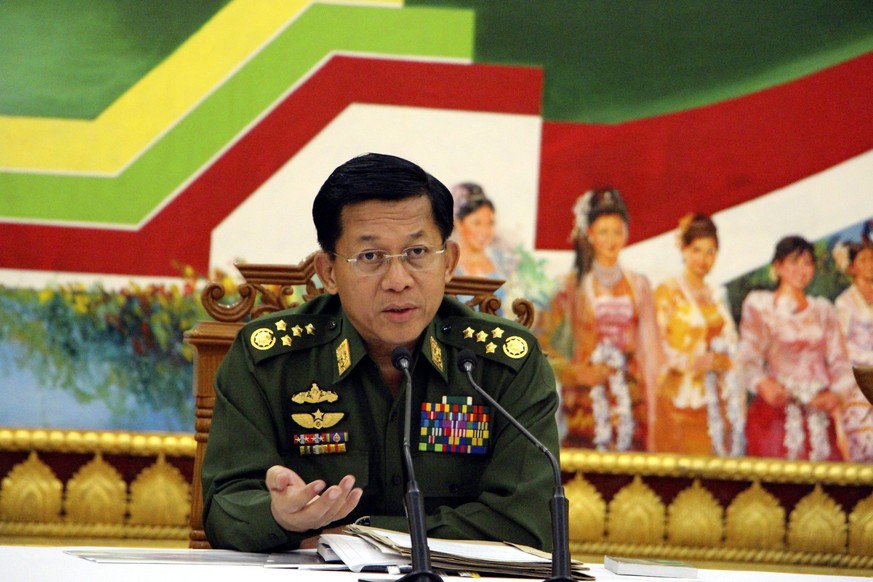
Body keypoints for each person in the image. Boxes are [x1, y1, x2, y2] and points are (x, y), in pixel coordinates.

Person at [201, 153, 560, 553]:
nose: (398, 280)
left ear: (449, 263)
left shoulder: (503, 364)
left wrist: (358, 537)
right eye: (370, 257)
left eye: (417, 253)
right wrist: (279, 516)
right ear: (329, 272)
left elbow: (527, 524)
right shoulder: (270, 359)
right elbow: (224, 507)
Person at [537, 188, 662, 451]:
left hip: (631, 402)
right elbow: (542, 346)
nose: (611, 240)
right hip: (585, 405)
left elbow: (651, 351)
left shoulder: (639, 286)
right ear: (590, 234)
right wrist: (578, 374)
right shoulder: (569, 288)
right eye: (603, 232)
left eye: (617, 231)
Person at [737, 235, 855, 461]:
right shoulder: (761, 305)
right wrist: (763, 385)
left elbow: (841, 362)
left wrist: (836, 394)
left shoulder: (822, 310)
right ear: (778, 266)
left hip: (818, 411)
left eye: (807, 263)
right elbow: (747, 358)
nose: (801, 270)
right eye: (794, 262)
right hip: (775, 411)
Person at [652, 214, 744, 456]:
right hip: (679, 402)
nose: (703, 259)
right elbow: (658, 348)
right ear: (683, 249)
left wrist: (727, 361)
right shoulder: (668, 292)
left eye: (710, 252)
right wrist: (700, 362)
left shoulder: (716, 295)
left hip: (716, 402)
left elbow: (732, 341)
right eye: (697, 250)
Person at [833, 239, 873, 461]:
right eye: (864, 260)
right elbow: (842, 344)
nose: (870, 264)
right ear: (852, 267)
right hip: (857, 376)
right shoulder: (844, 302)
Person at [451, 182, 511, 313]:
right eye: (477, 223)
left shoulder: (502, 260)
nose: (485, 231)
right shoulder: (449, 265)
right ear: (459, 223)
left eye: (490, 223)